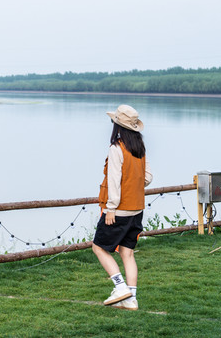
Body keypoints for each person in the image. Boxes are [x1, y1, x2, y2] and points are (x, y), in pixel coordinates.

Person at [92, 104, 150, 311]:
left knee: (98, 247)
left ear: (118, 126)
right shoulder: (140, 148)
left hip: (120, 210)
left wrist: (111, 208)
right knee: (127, 253)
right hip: (137, 209)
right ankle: (131, 299)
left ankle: (120, 287)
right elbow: (148, 177)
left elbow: (114, 181)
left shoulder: (116, 148)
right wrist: (133, 183)